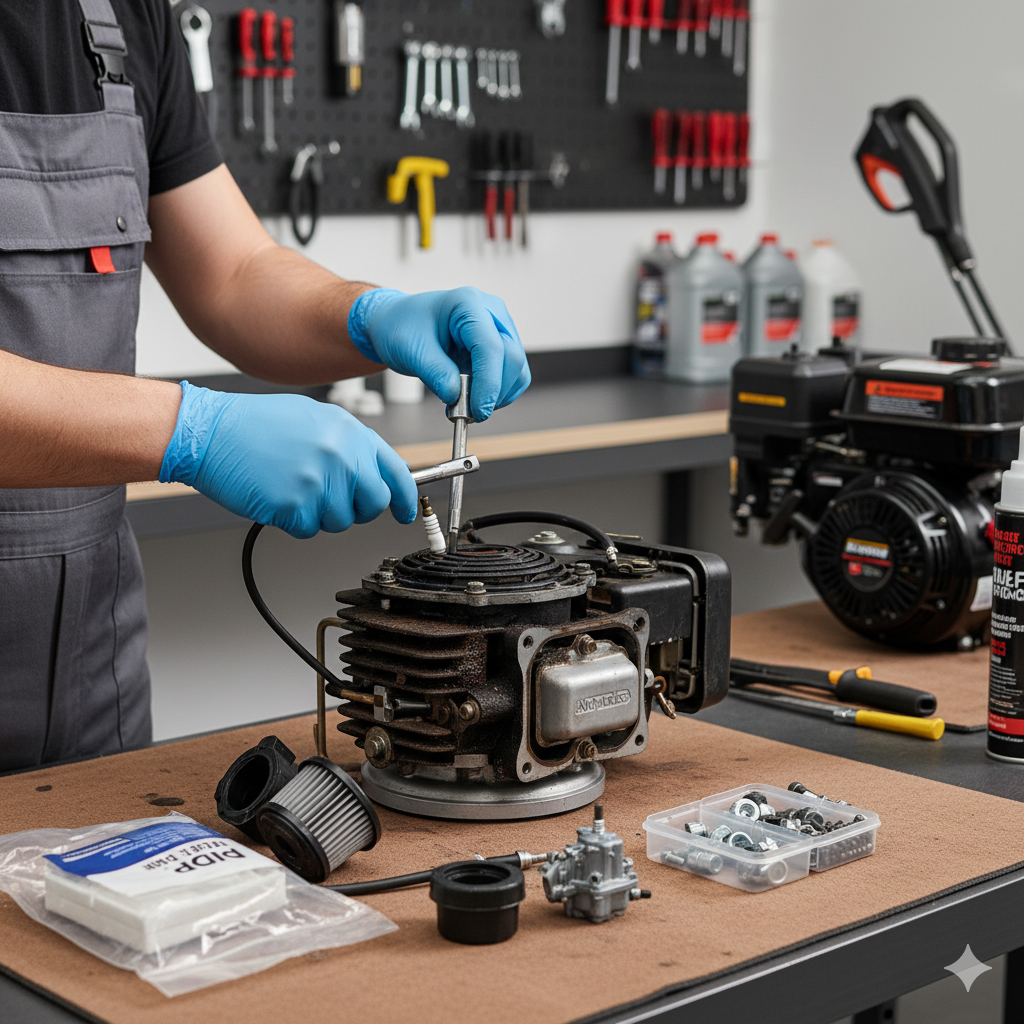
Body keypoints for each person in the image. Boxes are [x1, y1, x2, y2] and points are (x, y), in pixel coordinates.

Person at [0, 0, 530, 772]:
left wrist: (370, 315)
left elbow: (233, 272)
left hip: (84, 682)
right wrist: (193, 432)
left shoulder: (117, 14)